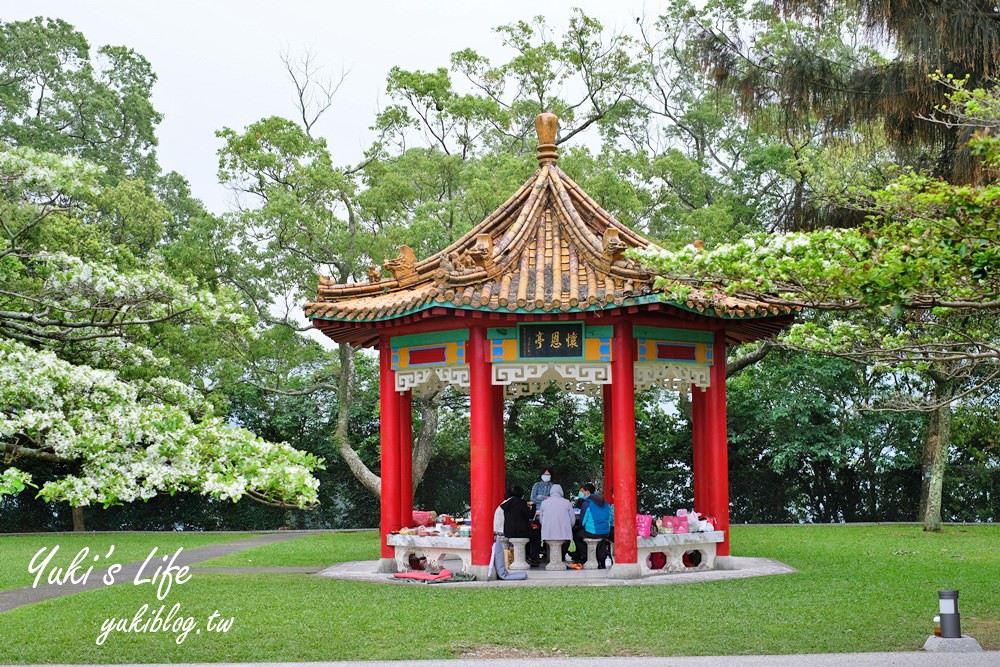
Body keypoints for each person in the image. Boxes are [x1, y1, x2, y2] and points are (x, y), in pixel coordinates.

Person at [499, 486, 541, 565]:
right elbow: (530, 515)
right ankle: (533, 558)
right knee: (536, 535)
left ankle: (527, 556)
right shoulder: (521, 503)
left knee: (530, 535)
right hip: (520, 532)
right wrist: (534, 506)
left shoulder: (507, 504)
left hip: (508, 532)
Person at [573, 485, 612, 567]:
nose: (581, 493)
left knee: (576, 535)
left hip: (593, 531)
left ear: (587, 492)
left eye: (582, 491)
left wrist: (577, 526)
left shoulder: (587, 503)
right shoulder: (605, 502)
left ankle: (586, 555)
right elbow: (610, 517)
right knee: (601, 541)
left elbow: (582, 522)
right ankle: (602, 558)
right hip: (606, 531)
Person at [539, 484, 576, 564]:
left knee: (548, 545)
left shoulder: (544, 503)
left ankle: (550, 560)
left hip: (548, 534)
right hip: (564, 534)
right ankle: (561, 559)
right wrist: (568, 527)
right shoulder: (567, 502)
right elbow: (572, 520)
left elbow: (541, 520)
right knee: (565, 544)